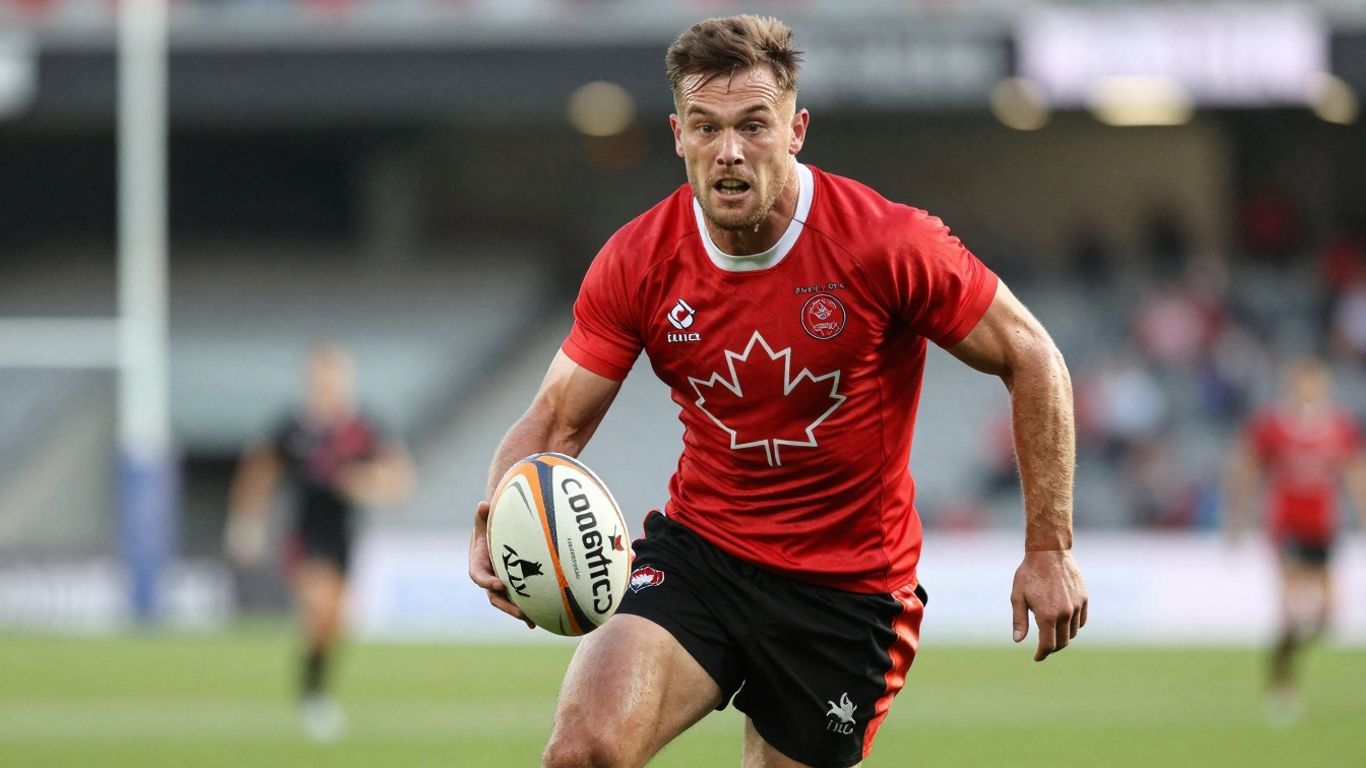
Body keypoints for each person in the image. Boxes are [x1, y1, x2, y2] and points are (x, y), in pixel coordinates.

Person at [468, 16, 1087, 768]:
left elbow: (1033, 356)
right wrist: (499, 511)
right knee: (580, 752)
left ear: (795, 130)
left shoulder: (886, 244)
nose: (729, 150)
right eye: (707, 127)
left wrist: (1049, 547)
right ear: (678, 135)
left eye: (753, 126)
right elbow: (556, 419)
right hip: (703, 556)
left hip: (848, 592)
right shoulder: (637, 260)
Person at [225, 342, 413, 742]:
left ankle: (314, 689)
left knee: (332, 623)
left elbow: (398, 478)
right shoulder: (292, 427)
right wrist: (246, 523)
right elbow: (260, 471)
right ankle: (313, 700)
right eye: (321, 375)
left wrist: (366, 485)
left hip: (343, 538)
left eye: (335, 375)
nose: (328, 383)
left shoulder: (363, 426)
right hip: (304, 537)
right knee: (322, 605)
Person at [1225, 358, 1366, 723]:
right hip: (1286, 529)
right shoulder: (1272, 428)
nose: (1308, 391)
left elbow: (1355, 475)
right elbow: (1246, 471)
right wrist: (1237, 521)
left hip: (1323, 529)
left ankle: (1283, 658)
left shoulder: (1340, 429)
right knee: (1290, 613)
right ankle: (1282, 681)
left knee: (1327, 617)